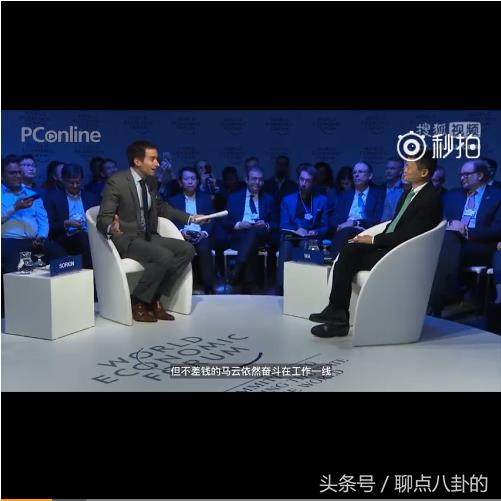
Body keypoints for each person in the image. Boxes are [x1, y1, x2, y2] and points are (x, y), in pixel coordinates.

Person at [309, 149, 442, 337]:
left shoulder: (430, 198)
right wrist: (372, 238)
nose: (404, 169)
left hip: (403, 253)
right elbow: (395, 225)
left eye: (408, 166)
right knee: (349, 249)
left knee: (350, 253)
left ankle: (338, 317)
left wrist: (373, 239)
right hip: (392, 246)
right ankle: (337, 314)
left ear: (424, 172)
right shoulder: (409, 193)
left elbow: (409, 235)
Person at [96, 140, 206, 323]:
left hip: (147, 236)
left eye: (157, 158)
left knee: (187, 249)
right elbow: (103, 218)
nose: (157, 163)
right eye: (152, 159)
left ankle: (154, 297)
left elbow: (161, 207)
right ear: (137, 161)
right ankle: (138, 301)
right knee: (163, 255)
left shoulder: (151, 181)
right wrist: (111, 228)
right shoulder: (117, 182)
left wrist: (191, 218)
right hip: (126, 238)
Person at [428, 160, 501, 316]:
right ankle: (441, 299)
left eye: (467, 174)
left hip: (480, 245)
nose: (462, 178)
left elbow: (497, 229)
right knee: (447, 239)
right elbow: (437, 220)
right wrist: (451, 224)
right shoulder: (451, 195)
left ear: (480, 175)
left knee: (446, 245)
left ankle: (438, 302)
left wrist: (466, 231)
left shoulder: (497, 196)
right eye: (461, 175)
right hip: (450, 241)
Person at [225, 165, 277, 292]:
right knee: (250, 238)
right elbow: (225, 221)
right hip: (240, 237)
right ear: (246, 180)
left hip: (262, 237)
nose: (257, 182)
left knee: (254, 232)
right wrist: (239, 224)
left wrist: (266, 224)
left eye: (260, 179)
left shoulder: (269, 199)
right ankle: (250, 284)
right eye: (254, 179)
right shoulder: (234, 197)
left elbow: (276, 222)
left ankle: (235, 274)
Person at [276, 164, 328, 292]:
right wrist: (297, 229)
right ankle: (282, 288)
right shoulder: (287, 200)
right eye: (301, 179)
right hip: (291, 236)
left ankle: (305, 288)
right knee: (286, 245)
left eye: (308, 181)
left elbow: (326, 226)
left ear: (314, 182)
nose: (303, 183)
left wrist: (315, 231)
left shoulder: (322, 200)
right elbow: (283, 224)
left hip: (310, 237)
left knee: (306, 244)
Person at [168, 166, 216, 294]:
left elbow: (212, 219)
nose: (190, 182)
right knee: (181, 249)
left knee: (205, 248)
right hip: (182, 235)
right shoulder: (173, 200)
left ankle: (209, 287)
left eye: (193, 178)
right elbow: (170, 221)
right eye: (186, 179)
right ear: (180, 182)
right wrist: (181, 232)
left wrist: (204, 233)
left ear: (198, 181)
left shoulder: (205, 198)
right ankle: (180, 288)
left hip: (201, 234)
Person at [43, 163, 100, 269]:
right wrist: (65, 223)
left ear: (82, 180)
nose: (75, 186)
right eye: (71, 183)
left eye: (78, 182)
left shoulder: (91, 197)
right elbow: (48, 226)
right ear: (63, 180)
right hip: (65, 238)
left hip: (90, 236)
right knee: (82, 237)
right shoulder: (53, 198)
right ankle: (90, 271)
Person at [326, 161, 384, 257]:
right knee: (345, 232)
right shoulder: (344, 196)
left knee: (347, 232)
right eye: (354, 172)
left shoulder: (378, 194)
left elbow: (378, 218)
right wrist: (340, 226)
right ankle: (335, 260)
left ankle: (334, 260)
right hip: (344, 230)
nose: (356, 175)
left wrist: (356, 223)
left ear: (370, 176)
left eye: (360, 172)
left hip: (367, 230)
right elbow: (334, 219)